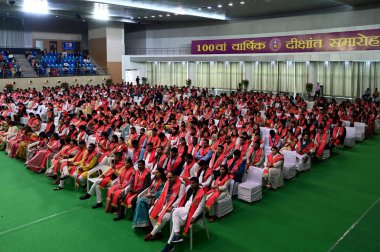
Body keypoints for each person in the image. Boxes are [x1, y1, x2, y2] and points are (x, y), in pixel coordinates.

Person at [161, 177, 206, 251]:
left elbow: (200, 208)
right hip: (185, 210)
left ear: (198, 183)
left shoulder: (202, 193)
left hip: (192, 212)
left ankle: (170, 245)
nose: (192, 185)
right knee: (175, 215)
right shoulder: (189, 188)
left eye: (194, 183)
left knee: (175, 215)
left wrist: (194, 217)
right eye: (191, 183)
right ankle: (175, 237)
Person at [144, 171, 186, 241]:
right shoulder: (167, 182)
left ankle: (152, 233)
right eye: (168, 177)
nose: (168, 179)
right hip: (163, 202)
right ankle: (158, 233)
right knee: (150, 212)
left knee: (163, 218)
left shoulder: (182, 185)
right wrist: (158, 201)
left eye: (170, 177)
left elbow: (180, 198)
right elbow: (163, 192)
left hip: (173, 206)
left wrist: (172, 206)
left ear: (176, 176)